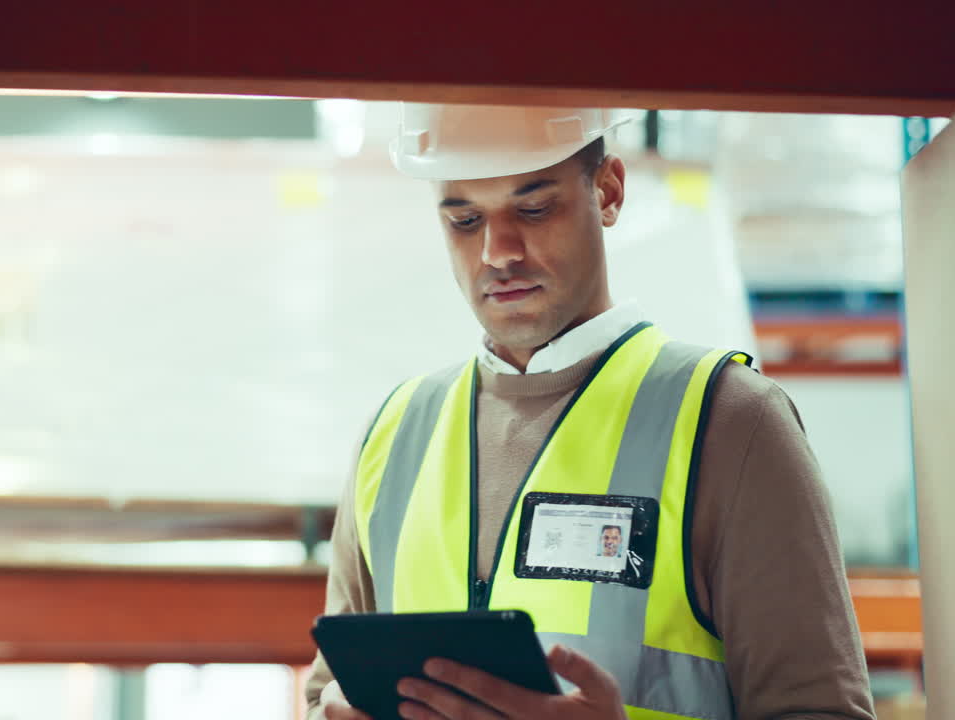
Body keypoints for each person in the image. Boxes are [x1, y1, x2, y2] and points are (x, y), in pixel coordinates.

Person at [305, 104, 875, 720]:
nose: (497, 251)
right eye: (465, 220)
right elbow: (323, 695)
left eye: (533, 208)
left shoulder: (729, 422)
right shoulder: (394, 438)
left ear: (607, 191)